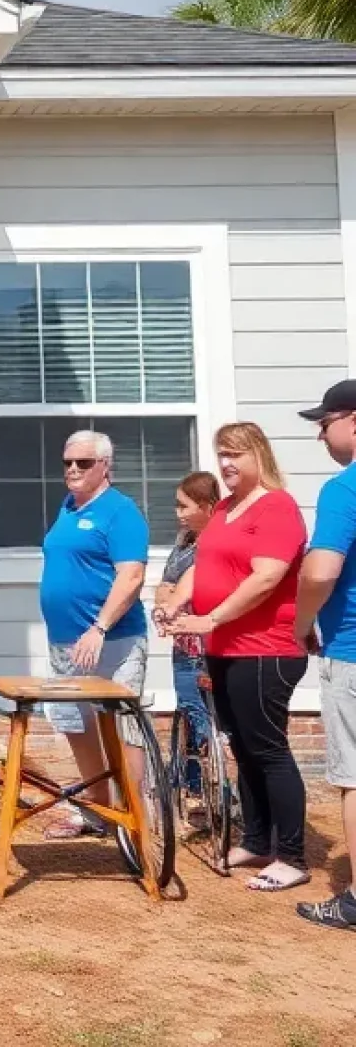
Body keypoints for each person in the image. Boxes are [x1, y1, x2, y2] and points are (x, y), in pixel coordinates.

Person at [163, 422, 309, 892]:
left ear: (258, 455)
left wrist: (212, 618)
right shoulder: (224, 508)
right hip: (225, 650)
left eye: (235, 455)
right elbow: (203, 565)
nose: (226, 464)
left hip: (266, 649)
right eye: (221, 455)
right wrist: (178, 602)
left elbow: (267, 577)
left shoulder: (277, 507)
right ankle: (257, 840)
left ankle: (292, 855)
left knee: (268, 749)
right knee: (242, 748)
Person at [38, 429, 150, 839]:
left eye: (83, 463)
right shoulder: (68, 508)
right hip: (66, 643)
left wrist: (99, 626)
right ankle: (96, 810)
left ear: (105, 466)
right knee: (77, 725)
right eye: (67, 462)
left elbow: (132, 574)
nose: (72, 469)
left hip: (112, 641)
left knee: (123, 729)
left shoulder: (120, 512)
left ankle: (135, 819)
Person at [292, 381, 356, 931]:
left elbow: (321, 570)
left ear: (354, 421)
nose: (320, 433)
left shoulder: (345, 488)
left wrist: (301, 621)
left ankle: (355, 898)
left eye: (325, 421)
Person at [153, 472, 221, 797]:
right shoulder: (183, 544)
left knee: (199, 712)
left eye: (184, 506)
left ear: (207, 506)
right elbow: (166, 587)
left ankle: (219, 785)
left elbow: (193, 585)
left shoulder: (216, 544)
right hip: (183, 642)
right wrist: (164, 606)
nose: (178, 513)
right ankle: (189, 783)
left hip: (206, 644)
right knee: (188, 710)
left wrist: (174, 603)